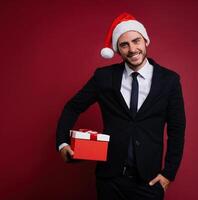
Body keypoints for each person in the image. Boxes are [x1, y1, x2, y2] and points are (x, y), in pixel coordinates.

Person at [56, 12, 186, 200]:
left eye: (136, 41)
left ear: (145, 41)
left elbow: (177, 129)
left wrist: (169, 174)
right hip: (110, 180)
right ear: (117, 49)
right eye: (124, 44)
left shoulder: (169, 80)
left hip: (149, 182)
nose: (132, 49)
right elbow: (72, 107)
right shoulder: (104, 77)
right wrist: (62, 143)